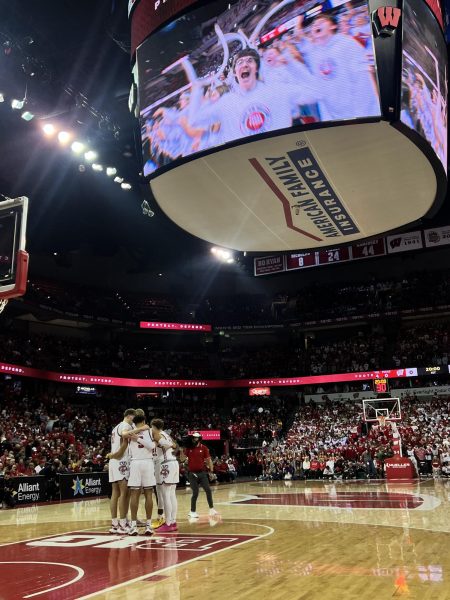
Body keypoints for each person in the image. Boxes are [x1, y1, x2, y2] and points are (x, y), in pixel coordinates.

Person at [188, 47, 329, 146]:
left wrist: (291, 64)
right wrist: (196, 90)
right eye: (240, 63)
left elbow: (317, 92)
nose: (244, 65)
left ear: (256, 68)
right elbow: (194, 121)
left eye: (250, 61)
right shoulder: (227, 102)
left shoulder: (277, 90)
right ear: (235, 72)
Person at [292, 12, 380, 121]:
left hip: (362, 114)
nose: (316, 26)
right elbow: (299, 36)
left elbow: (363, 82)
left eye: (321, 22)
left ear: (333, 26)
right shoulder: (315, 52)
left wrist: (361, 117)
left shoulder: (347, 44)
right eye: (314, 25)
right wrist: (298, 22)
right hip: (336, 118)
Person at [126, 412, 157, 536]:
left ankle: (133, 526)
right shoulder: (150, 431)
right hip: (147, 463)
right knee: (149, 494)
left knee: (134, 494)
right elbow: (151, 447)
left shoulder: (130, 432)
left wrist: (136, 438)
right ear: (144, 421)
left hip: (135, 463)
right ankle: (148, 525)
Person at [107, 408, 135, 534]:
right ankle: (123, 523)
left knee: (115, 493)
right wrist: (116, 455)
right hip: (121, 461)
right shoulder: (125, 426)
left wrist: (113, 456)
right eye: (133, 418)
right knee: (125, 493)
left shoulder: (115, 427)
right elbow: (124, 438)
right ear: (129, 416)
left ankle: (115, 523)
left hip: (114, 463)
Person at [180, 432, 218, 519]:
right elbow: (182, 459)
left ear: (199, 439)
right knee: (195, 492)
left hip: (202, 473)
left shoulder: (204, 448)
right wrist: (182, 450)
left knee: (208, 490)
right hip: (192, 474)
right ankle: (192, 511)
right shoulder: (189, 448)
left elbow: (209, 460)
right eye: (193, 438)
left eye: (196, 438)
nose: (194, 439)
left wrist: (211, 471)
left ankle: (211, 509)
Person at [150, 418, 179, 532]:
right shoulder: (166, 434)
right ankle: (173, 521)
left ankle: (168, 522)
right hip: (173, 463)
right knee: (171, 494)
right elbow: (175, 445)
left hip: (165, 464)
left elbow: (169, 445)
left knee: (166, 494)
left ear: (153, 426)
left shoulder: (157, 434)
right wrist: (172, 445)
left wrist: (168, 445)